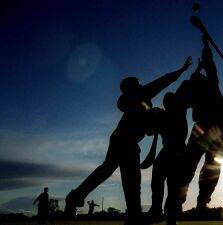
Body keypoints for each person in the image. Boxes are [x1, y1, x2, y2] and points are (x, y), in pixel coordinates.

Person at [64, 57, 192, 225]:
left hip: (125, 141)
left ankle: (79, 198)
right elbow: (163, 81)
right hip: (125, 142)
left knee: (119, 175)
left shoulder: (136, 100)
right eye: (138, 83)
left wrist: (154, 119)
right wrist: (180, 71)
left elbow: (146, 125)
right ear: (133, 87)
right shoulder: (139, 96)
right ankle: (131, 215)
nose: (142, 84)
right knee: (126, 178)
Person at [180, 36, 223, 211]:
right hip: (207, 127)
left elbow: (209, 65)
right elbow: (208, 67)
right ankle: (184, 196)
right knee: (195, 164)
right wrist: (205, 46)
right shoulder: (201, 87)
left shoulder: (206, 85)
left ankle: (200, 199)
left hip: (212, 127)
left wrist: (205, 47)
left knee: (210, 165)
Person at [146, 89, 192, 225]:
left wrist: (153, 114)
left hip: (175, 152)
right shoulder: (168, 114)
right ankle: (159, 212)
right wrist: (152, 115)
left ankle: (162, 213)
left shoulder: (177, 112)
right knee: (164, 185)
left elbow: (149, 131)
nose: (167, 103)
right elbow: (149, 131)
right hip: (171, 153)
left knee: (171, 187)